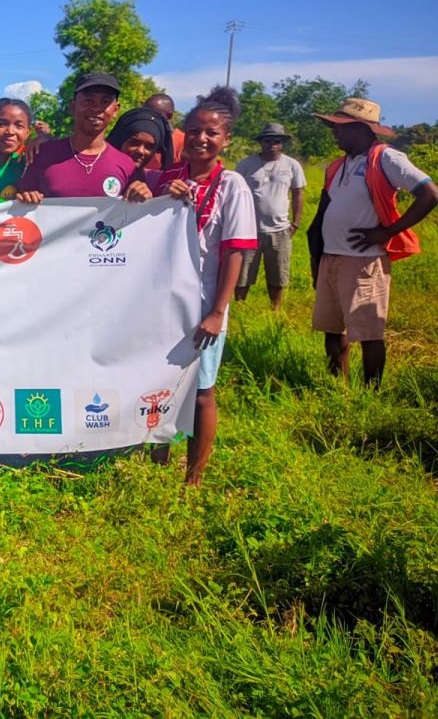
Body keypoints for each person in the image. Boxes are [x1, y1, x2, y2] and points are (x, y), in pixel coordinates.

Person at [151, 86, 257, 486]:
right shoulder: (169, 178)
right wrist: (160, 195)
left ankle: (194, 478)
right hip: (163, 302)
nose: (201, 138)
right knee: (160, 382)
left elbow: (235, 252)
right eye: (194, 130)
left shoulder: (232, 185)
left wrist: (217, 311)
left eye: (212, 132)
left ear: (226, 138)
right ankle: (157, 460)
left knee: (201, 390)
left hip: (205, 303)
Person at [309, 97, 438, 386]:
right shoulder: (337, 166)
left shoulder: (385, 158)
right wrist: (316, 257)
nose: (334, 132)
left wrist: (387, 232)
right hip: (331, 258)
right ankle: (338, 389)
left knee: (369, 333)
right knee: (333, 329)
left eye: (340, 127)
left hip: (364, 261)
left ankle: (372, 394)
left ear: (360, 129)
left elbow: (431, 195)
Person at [15, 72, 136, 201]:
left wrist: (143, 197)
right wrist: (26, 198)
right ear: (73, 106)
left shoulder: (126, 165)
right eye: (88, 100)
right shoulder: (43, 154)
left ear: (115, 110)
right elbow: (22, 203)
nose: (96, 108)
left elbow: (134, 210)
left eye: (105, 102)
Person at [234, 122, 306, 310]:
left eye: (276, 141)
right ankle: (240, 308)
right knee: (242, 274)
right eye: (267, 141)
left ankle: (275, 310)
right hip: (249, 229)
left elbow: (298, 193)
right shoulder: (246, 165)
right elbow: (233, 192)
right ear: (261, 142)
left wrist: (295, 223)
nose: (272, 145)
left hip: (280, 229)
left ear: (282, 143)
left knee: (278, 274)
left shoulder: (292, 165)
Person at [106, 106, 174, 183]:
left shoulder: (159, 183)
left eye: (149, 147)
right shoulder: (100, 172)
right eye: (134, 143)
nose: (140, 151)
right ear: (121, 140)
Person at [144, 92, 185, 170]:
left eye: (154, 115)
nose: (148, 118)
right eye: (145, 113)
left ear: (169, 116)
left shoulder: (183, 143)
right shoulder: (141, 139)